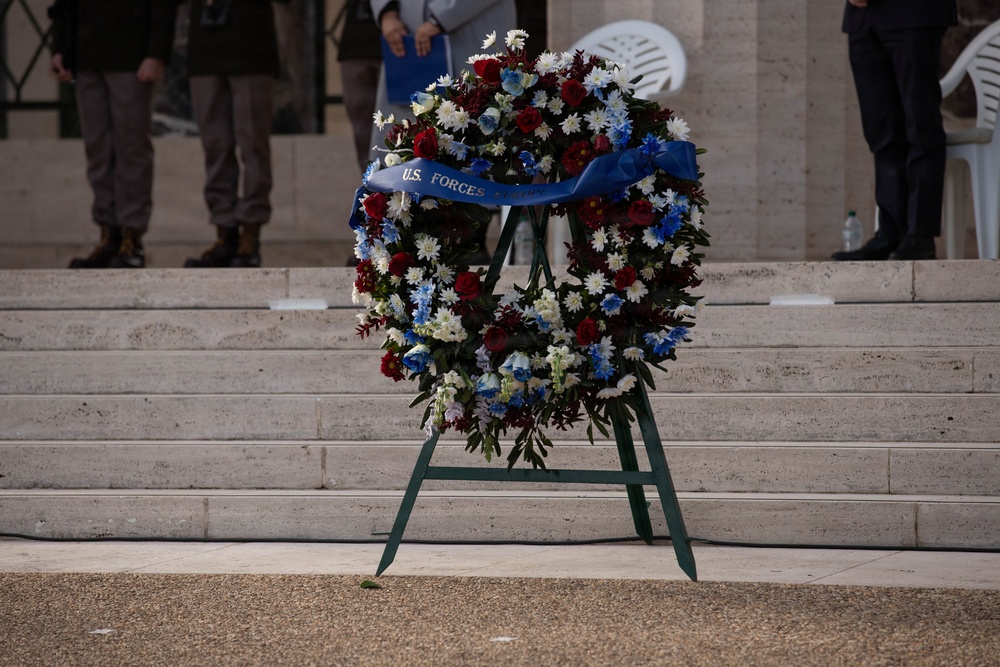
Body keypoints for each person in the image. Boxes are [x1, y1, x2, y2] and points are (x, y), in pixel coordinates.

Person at [369, 0, 516, 263]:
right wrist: (387, 12)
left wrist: (441, 16)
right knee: (407, 141)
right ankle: (413, 251)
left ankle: (470, 244)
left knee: (477, 136)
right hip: (409, 34)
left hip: (473, 26)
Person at [48, 0, 177, 269]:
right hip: (87, 53)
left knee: (131, 148)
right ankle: (108, 234)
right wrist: (59, 47)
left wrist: (157, 52)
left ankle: (132, 236)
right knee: (98, 150)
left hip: (130, 53)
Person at [832, 0, 957, 261]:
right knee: (881, 133)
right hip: (863, 17)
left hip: (912, 13)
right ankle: (891, 233)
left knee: (920, 127)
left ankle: (920, 235)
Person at [183, 0, 289, 268]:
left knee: (252, 144)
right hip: (205, 47)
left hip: (251, 45)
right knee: (215, 146)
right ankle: (225, 233)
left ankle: (250, 236)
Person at [339, 0, 383, 173]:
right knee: (363, 130)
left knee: (399, 124)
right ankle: (372, 192)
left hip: (397, 42)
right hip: (355, 43)